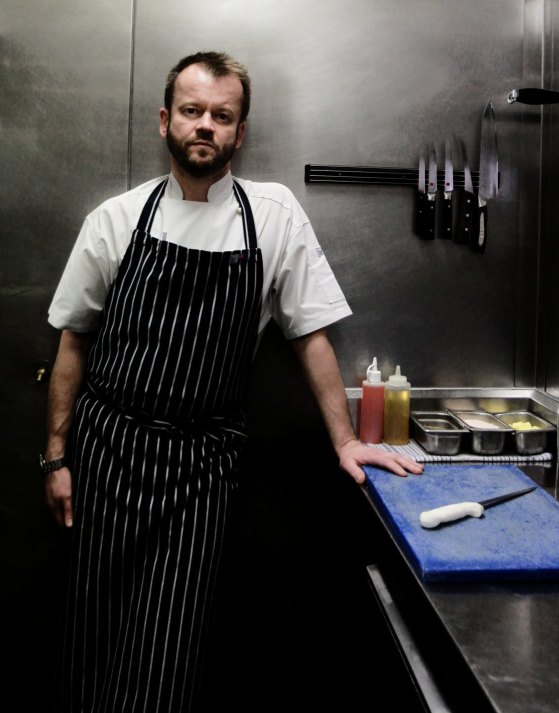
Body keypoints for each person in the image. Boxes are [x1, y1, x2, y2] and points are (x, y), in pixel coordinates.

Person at [42, 51, 423, 712]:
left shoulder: (272, 215)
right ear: (166, 121)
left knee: (169, 652)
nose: (205, 126)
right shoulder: (116, 219)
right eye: (192, 111)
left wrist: (344, 440)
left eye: (222, 115)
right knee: (92, 639)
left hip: (202, 466)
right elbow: (74, 339)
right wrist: (55, 455)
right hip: (109, 456)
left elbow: (311, 334)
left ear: (239, 133)